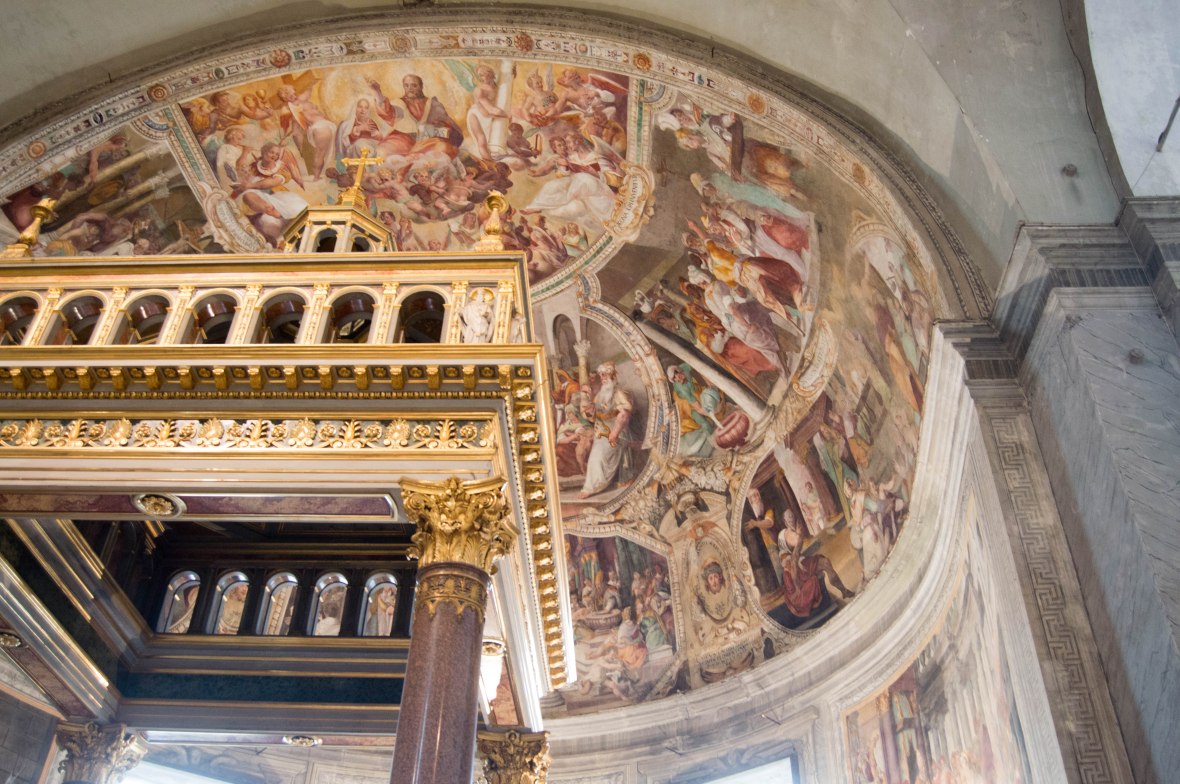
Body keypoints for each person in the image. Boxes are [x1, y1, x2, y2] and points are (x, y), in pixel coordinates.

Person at [367, 74, 463, 160]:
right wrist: (377, 91)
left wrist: (441, 126)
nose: (410, 88)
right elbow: (386, 111)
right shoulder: (398, 103)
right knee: (382, 151)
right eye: (406, 85)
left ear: (421, 87)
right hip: (402, 139)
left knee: (444, 148)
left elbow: (448, 125)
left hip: (428, 139)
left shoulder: (433, 104)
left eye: (414, 85)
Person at [578, 361, 633, 498]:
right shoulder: (600, 394)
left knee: (597, 456)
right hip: (601, 432)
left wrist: (615, 433)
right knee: (595, 454)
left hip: (616, 433)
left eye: (605, 375)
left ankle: (592, 487)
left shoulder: (618, 393)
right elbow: (594, 416)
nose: (602, 378)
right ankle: (591, 485)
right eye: (601, 376)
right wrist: (589, 410)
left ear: (613, 377)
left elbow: (624, 414)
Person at [276, 84, 337, 179]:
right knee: (320, 153)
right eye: (287, 93)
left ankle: (323, 175)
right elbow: (295, 131)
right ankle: (317, 177)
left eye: (290, 91)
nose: (292, 94)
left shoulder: (302, 100)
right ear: (285, 98)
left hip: (328, 125)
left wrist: (311, 82)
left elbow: (309, 87)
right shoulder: (294, 109)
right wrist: (298, 146)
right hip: (319, 127)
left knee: (333, 151)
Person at [465, 64, 509, 160]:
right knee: (482, 141)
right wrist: (508, 115)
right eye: (479, 75)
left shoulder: (499, 89)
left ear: (491, 74)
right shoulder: (479, 90)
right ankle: (490, 165)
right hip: (477, 115)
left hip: (491, 117)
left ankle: (494, 164)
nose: (481, 78)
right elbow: (491, 109)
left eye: (483, 74)